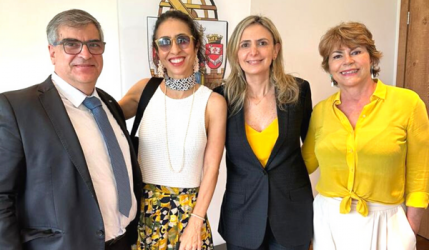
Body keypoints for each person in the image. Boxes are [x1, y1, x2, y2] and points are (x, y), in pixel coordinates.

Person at [0, 9, 142, 250]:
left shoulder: (107, 104)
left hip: (123, 241)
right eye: (71, 44)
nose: (85, 54)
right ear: (52, 52)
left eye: (93, 44)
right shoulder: (17, 109)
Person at [302, 22, 429, 250]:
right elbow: (304, 163)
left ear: (372, 58)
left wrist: (412, 226)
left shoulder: (408, 103)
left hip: (386, 222)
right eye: (337, 55)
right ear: (329, 67)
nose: (347, 61)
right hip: (328, 220)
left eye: (356, 51)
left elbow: (420, 172)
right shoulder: (321, 111)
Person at [119, 10, 226, 250]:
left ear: (195, 44)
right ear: (157, 51)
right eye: (165, 42)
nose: (175, 49)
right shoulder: (144, 90)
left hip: (189, 216)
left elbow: (211, 169)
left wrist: (196, 223)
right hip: (142, 215)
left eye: (182, 39)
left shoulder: (213, 103)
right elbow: (101, 118)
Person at [213, 15, 313, 250]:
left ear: (276, 49)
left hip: (292, 213)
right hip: (242, 215)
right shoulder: (221, 98)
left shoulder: (299, 91)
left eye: (262, 43)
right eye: (245, 44)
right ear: (235, 53)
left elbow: (315, 148)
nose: (253, 51)